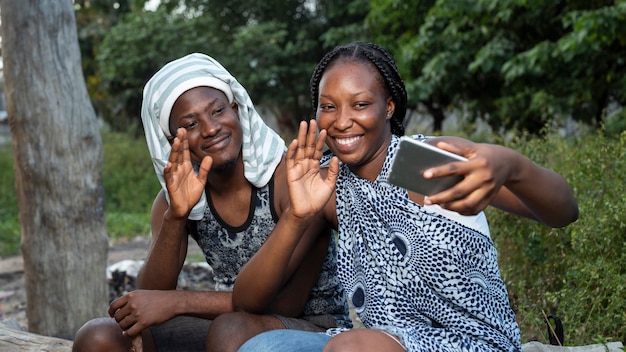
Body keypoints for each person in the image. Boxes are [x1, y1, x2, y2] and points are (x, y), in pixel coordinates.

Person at [234, 42, 579, 352]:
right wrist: (297, 215)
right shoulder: (329, 184)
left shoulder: (422, 161)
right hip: (380, 340)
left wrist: (514, 166)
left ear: (389, 106)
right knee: (258, 345)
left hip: (471, 343)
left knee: (350, 348)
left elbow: (564, 212)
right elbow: (248, 299)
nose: (341, 121)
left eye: (361, 104)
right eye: (328, 106)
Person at [72, 53, 350, 352]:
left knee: (231, 331)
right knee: (99, 337)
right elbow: (149, 299)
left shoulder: (293, 181)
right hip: (228, 326)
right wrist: (176, 217)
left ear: (236, 109)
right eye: (190, 124)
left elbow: (285, 304)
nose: (210, 128)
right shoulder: (179, 197)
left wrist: (180, 302)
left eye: (217, 111)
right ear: (171, 141)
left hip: (312, 328)